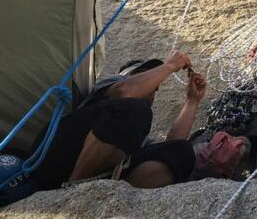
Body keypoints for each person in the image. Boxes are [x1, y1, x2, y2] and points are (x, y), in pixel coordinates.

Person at [31, 50, 207, 190]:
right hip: (57, 157)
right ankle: (75, 189)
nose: (153, 87)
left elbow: (172, 146)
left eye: (155, 87)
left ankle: (117, 197)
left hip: (105, 174)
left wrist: (192, 101)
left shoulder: (134, 129)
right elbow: (124, 92)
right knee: (135, 109)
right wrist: (169, 66)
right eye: (143, 76)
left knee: (181, 151)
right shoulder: (110, 88)